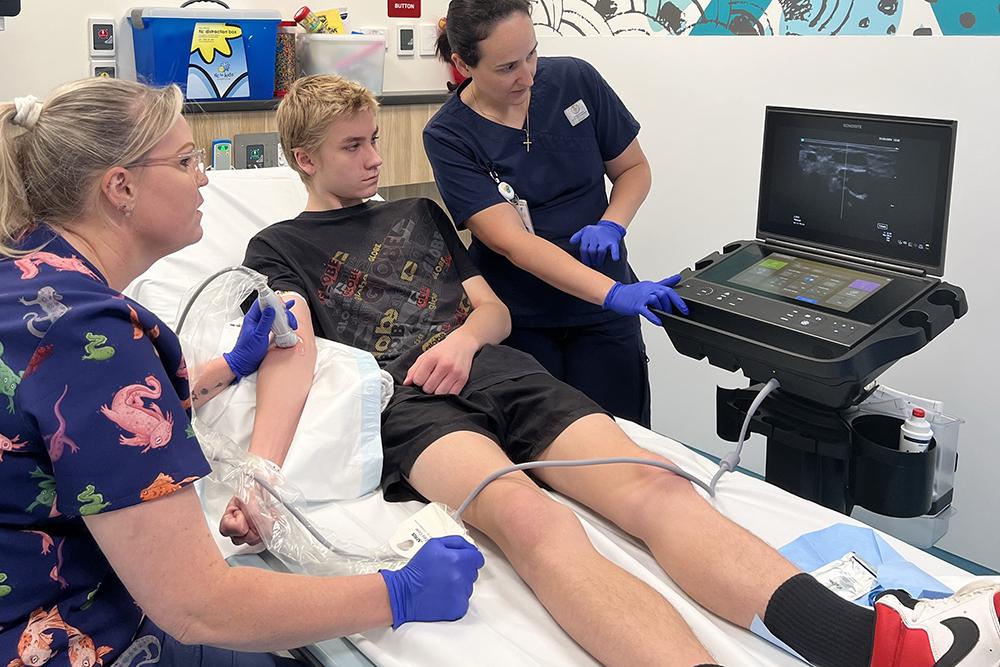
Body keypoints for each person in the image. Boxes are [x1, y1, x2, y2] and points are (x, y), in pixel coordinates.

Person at [231, 73, 1000, 667]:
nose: (372, 160)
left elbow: (491, 310)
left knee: (656, 485)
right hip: (409, 406)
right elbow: (291, 352)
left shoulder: (420, 215)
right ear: (304, 159)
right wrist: (259, 477)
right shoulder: (275, 247)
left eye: (373, 141)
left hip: (496, 365)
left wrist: (466, 342)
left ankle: (884, 647)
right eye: (352, 148)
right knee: (534, 521)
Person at [0, 78, 483, 667]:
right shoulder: (94, 333)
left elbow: (78, 424)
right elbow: (198, 605)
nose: (204, 177)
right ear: (120, 187)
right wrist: (399, 592)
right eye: (185, 161)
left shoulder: (26, 280)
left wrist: (226, 367)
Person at [422, 0, 687, 429]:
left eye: (532, 53)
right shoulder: (449, 135)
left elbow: (633, 169)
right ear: (462, 64)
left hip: (602, 311)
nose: (527, 75)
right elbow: (515, 243)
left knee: (623, 441)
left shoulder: (573, 79)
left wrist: (612, 223)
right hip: (524, 319)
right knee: (548, 451)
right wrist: (613, 293)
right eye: (507, 67)